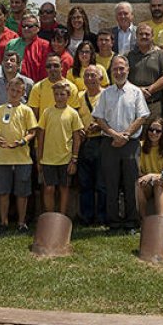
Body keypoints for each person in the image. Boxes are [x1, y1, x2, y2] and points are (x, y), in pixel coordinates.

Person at [91, 55, 150, 233]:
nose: (118, 72)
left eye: (121, 68)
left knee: (131, 184)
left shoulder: (136, 92)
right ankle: (114, 222)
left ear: (128, 70)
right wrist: (114, 135)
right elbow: (99, 117)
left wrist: (125, 135)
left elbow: (142, 116)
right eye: (115, 69)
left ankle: (132, 222)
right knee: (111, 184)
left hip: (130, 144)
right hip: (109, 143)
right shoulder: (106, 93)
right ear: (111, 71)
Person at [0, 78, 39, 233]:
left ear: (23, 93)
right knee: (3, 192)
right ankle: (3, 222)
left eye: (18, 91)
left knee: (22, 193)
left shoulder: (26, 110)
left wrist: (23, 141)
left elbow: (32, 131)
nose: (15, 93)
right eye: (12, 90)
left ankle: (21, 222)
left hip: (22, 158)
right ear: (7, 89)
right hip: (3, 158)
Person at [36, 81, 83, 215]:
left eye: (62, 94)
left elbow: (77, 138)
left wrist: (74, 159)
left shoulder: (73, 113)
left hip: (65, 158)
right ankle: (50, 216)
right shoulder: (47, 112)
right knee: (49, 189)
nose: (59, 97)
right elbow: (41, 136)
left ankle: (62, 217)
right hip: (48, 159)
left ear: (68, 95)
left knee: (64, 188)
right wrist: (39, 158)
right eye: (56, 94)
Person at [73, 64, 108, 227]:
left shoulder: (107, 95)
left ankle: (102, 217)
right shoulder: (79, 96)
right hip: (84, 142)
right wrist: (79, 128)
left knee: (102, 183)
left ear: (101, 78)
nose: (89, 79)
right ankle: (86, 217)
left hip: (102, 140)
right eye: (87, 76)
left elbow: (113, 116)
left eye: (93, 75)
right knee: (85, 182)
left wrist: (100, 126)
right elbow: (74, 116)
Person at [126, 23, 163, 119]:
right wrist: (138, 91)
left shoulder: (160, 54)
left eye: (147, 34)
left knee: (153, 127)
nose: (144, 36)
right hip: (132, 103)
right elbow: (123, 78)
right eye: (141, 34)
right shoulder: (128, 55)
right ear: (136, 36)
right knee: (133, 128)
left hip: (154, 103)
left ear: (152, 36)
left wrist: (149, 90)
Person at [135, 117, 163, 219]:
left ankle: (160, 220)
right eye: (151, 129)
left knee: (158, 184)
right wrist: (147, 178)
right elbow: (138, 171)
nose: (154, 133)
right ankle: (143, 220)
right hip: (146, 182)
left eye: (158, 131)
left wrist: (151, 175)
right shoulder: (139, 146)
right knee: (138, 184)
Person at [28, 55, 80, 120]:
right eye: (49, 66)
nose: (52, 69)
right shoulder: (38, 87)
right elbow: (34, 116)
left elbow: (74, 115)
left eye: (56, 66)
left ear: (62, 67)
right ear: (46, 68)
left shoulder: (72, 88)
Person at [8, 16, 52, 82]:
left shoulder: (45, 46)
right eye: (23, 26)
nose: (26, 28)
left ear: (38, 28)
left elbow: (46, 71)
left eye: (30, 26)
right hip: (12, 85)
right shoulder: (12, 44)